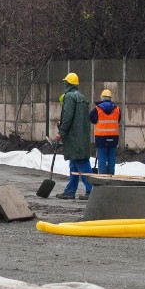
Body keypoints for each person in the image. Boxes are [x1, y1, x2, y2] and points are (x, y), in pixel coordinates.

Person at [55, 72, 92, 200]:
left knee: (81, 163)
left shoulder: (70, 97)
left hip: (74, 137)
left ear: (68, 83)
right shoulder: (81, 97)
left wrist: (62, 132)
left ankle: (91, 190)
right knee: (74, 164)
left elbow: (68, 116)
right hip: (81, 136)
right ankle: (70, 191)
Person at [89, 88, 121, 175]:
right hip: (113, 137)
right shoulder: (117, 109)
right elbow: (118, 120)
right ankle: (111, 176)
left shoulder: (97, 109)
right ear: (110, 98)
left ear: (102, 98)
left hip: (101, 137)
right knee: (111, 158)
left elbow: (92, 119)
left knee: (102, 157)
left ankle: (102, 176)